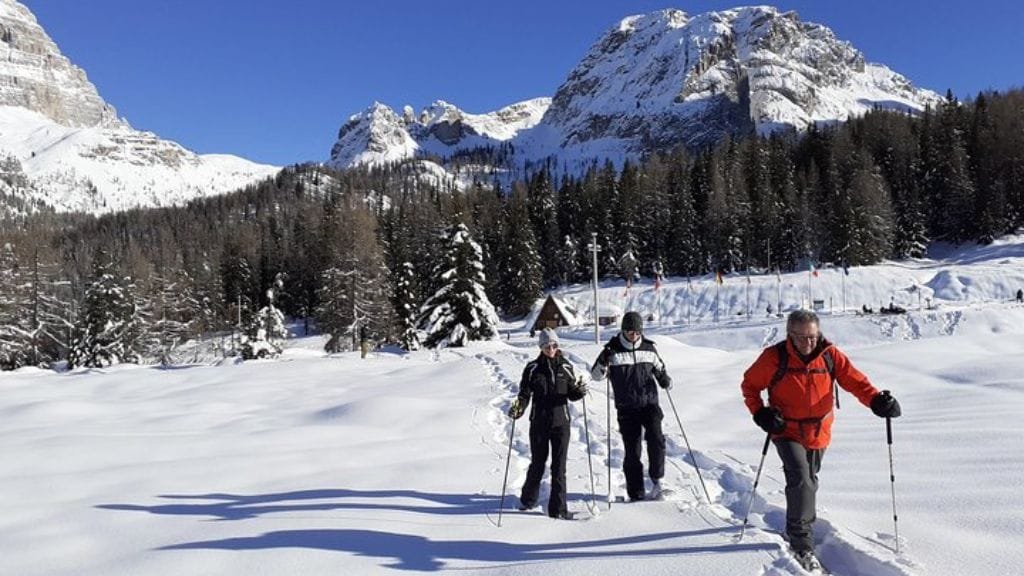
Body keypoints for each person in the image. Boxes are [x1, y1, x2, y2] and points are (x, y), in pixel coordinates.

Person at [741, 309, 901, 572]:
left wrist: (876, 400)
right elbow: (750, 385)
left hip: (819, 430)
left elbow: (855, 381)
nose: (808, 343)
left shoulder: (830, 355)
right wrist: (761, 413)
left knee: (809, 481)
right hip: (786, 430)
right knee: (802, 478)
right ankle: (802, 543)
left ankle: (797, 524)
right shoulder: (774, 357)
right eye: (801, 337)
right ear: (789, 335)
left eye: (813, 337)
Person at [590, 311, 673, 501]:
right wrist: (604, 361)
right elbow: (595, 375)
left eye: (636, 332)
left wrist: (665, 380)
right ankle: (636, 492)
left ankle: (657, 481)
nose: (633, 335)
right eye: (629, 331)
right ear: (623, 330)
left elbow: (660, 369)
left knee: (656, 440)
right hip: (627, 407)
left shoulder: (649, 349)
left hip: (650, 403)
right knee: (633, 449)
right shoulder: (612, 349)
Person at [508, 328, 587, 519]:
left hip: (561, 424)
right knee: (538, 463)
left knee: (559, 467)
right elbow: (524, 394)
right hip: (539, 423)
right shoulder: (532, 368)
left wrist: (579, 392)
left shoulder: (566, 367)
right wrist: (519, 408)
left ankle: (558, 510)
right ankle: (527, 500)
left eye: (553, 345)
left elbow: (571, 393)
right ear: (541, 347)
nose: (550, 349)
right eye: (546, 346)